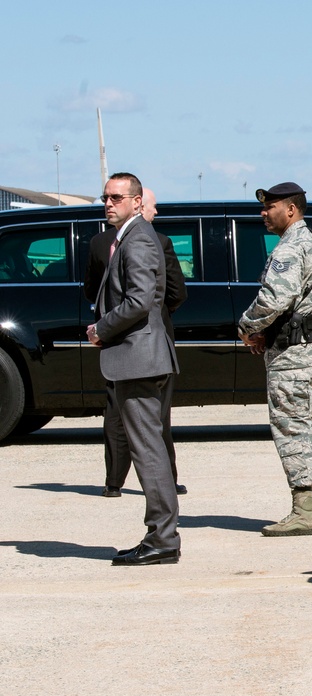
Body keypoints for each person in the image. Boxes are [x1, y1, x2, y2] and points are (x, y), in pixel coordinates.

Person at [86, 173, 180, 566]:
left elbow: (141, 300)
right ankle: (161, 535)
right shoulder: (128, 236)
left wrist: (100, 329)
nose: (108, 203)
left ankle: (162, 538)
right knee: (149, 447)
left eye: (116, 197)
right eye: (105, 197)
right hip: (138, 357)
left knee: (147, 450)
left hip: (138, 358)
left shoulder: (138, 238)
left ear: (137, 202)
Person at [238, 183, 312, 537]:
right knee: (311, 424)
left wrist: (247, 327)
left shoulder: (291, 248)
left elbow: (275, 297)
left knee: (292, 429)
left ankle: (303, 512)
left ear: (291, 210)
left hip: (294, 358)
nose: (263, 213)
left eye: (270, 207)